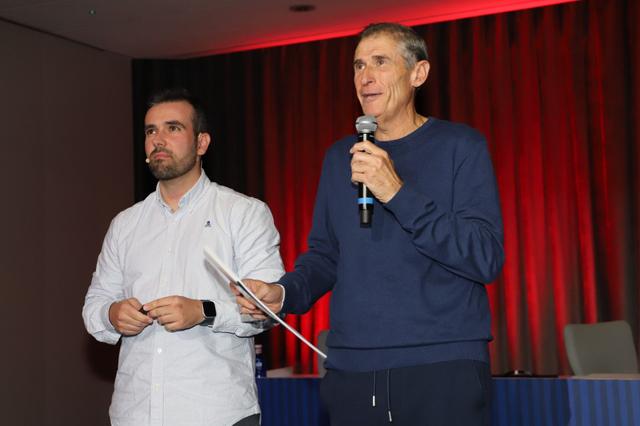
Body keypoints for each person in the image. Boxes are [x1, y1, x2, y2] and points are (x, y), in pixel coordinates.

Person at [236, 23, 504, 426]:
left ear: (418, 73)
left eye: (380, 62)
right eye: (359, 65)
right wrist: (283, 293)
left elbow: (484, 256)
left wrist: (396, 192)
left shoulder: (461, 147)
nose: (365, 77)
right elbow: (325, 257)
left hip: (442, 366)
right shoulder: (339, 157)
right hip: (352, 370)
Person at [82, 88, 284, 426]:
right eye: (151, 131)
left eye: (173, 128)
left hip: (216, 414)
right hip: (135, 413)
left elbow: (268, 310)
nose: (158, 140)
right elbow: (95, 306)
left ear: (201, 143)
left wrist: (203, 311)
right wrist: (112, 313)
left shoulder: (243, 213)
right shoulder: (126, 224)